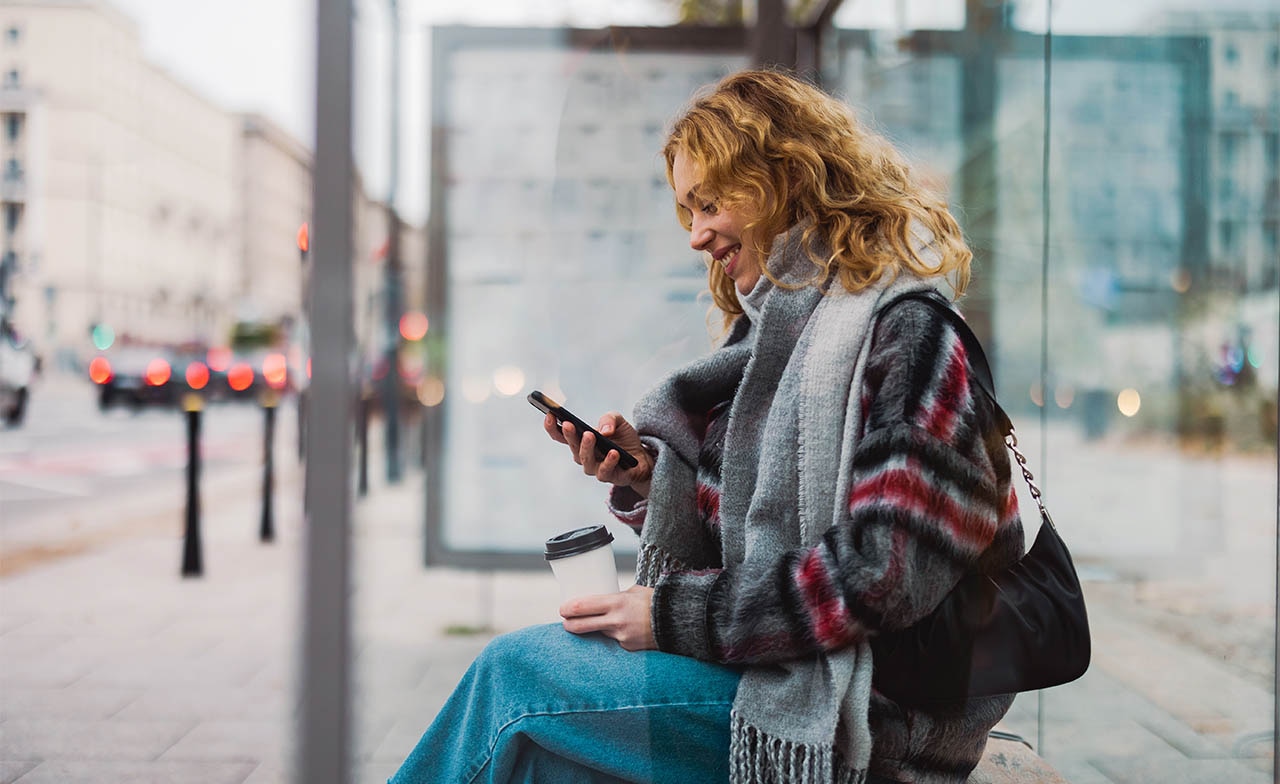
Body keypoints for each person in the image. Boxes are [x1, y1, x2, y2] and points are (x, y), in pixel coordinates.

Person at [390, 69, 1025, 784]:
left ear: (786, 176)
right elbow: (753, 530)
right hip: (791, 673)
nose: (696, 236)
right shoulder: (780, 344)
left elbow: (883, 574)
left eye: (710, 202)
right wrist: (652, 478)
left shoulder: (909, 337)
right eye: (688, 210)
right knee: (545, 764)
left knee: (515, 675)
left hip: (876, 715)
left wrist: (669, 618)